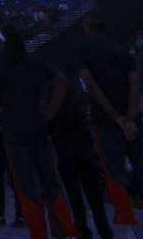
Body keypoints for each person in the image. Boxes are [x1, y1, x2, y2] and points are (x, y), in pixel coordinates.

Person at [0, 25, 77, 239]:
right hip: (38, 126)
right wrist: (51, 109)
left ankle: (38, 233)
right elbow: (62, 80)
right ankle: (68, 232)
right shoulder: (33, 61)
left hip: (14, 130)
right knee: (51, 182)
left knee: (25, 185)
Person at [77, 17, 143, 235]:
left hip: (106, 122)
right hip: (132, 121)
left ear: (86, 28)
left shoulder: (83, 52)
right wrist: (129, 118)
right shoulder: (122, 51)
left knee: (114, 173)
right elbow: (135, 84)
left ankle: (129, 226)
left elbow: (90, 86)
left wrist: (117, 118)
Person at [48, 78, 112, 239]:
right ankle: (102, 232)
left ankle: (84, 232)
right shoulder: (77, 99)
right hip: (81, 151)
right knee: (93, 198)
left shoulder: (53, 106)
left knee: (77, 197)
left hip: (69, 153)